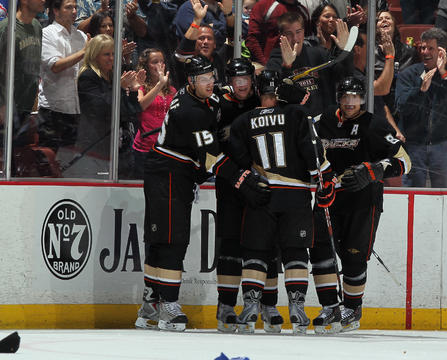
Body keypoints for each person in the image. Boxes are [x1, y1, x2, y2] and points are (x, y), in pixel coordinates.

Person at [135, 55, 270, 332]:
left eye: (212, 78)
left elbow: (219, 104)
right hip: (169, 172)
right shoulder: (191, 111)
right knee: (173, 239)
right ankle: (168, 306)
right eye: (204, 80)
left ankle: (150, 304)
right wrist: (242, 179)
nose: (211, 84)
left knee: (160, 239)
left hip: (169, 171)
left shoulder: (199, 97)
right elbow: (212, 158)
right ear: (190, 82)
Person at [228, 69, 329, 335]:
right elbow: (313, 150)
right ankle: (297, 309)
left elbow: (236, 162)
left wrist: (246, 182)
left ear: (258, 91)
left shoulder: (242, 121)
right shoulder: (296, 114)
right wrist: (321, 180)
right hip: (295, 196)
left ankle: (250, 308)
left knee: (256, 253)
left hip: (261, 195)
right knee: (296, 253)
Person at [309, 77, 410, 334]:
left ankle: (352, 307)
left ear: (362, 99)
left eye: (355, 97)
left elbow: (405, 161)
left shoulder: (374, 124)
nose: (351, 101)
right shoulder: (322, 123)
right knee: (321, 252)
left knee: (354, 255)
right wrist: (320, 178)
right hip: (328, 196)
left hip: (364, 199)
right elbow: (307, 154)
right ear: (339, 98)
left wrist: (374, 171)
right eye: (346, 96)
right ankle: (330, 306)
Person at [214, 61, 284, 334]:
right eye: (235, 78)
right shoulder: (218, 104)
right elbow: (210, 147)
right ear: (228, 79)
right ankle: (226, 305)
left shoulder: (261, 98)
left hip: (262, 183)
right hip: (231, 182)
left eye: (245, 77)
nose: (241, 83)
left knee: (267, 244)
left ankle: (269, 304)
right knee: (231, 243)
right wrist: (235, 175)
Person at [65, 34, 142, 178]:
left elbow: (131, 112)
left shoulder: (114, 76)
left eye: (113, 54)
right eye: (106, 54)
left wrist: (133, 90)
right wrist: (119, 87)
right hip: (94, 148)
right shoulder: (87, 77)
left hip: (118, 148)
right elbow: (103, 109)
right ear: (94, 55)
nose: (111, 58)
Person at [395, 27, 447, 188]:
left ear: (442, 52)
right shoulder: (408, 74)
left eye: (430, 48)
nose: (425, 52)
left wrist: (444, 73)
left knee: (443, 195)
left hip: (441, 145)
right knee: (412, 194)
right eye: (423, 48)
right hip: (414, 145)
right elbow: (402, 106)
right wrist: (421, 89)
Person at [0, 0, 44, 150]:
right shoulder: (7, 28)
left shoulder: (37, 27)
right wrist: (0, 104)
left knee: (17, 162)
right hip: (1, 110)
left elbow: (33, 67)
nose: (43, 0)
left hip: (23, 108)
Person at [266, 11, 352, 116]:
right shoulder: (275, 60)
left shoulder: (318, 53)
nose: (295, 38)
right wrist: (286, 67)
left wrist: (345, 51)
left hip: (323, 121)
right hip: (295, 122)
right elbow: (276, 96)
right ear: (281, 35)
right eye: (289, 34)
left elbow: (344, 75)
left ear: (304, 32)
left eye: (298, 32)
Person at [37, 0, 88, 154]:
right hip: (53, 110)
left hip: (76, 108)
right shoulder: (47, 34)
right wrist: (83, 52)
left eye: (75, 7)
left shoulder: (81, 36)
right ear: (56, 11)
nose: (74, 11)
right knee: (49, 160)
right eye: (68, 7)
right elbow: (55, 66)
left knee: (70, 162)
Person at [132, 48, 176, 179]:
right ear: (146, 66)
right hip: (145, 148)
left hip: (166, 147)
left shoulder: (172, 90)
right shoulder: (140, 87)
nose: (160, 65)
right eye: (155, 62)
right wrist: (158, 85)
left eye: (162, 62)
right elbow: (140, 106)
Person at [376, 9, 418, 143]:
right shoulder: (369, 53)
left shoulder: (410, 52)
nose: (384, 20)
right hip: (379, 106)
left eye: (388, 18)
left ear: (394, 25)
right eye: (380, 19)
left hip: (404, 107)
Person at [173, 0, 226, 89]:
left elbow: (236, 36)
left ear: (215, 44)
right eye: (201, 38)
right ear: (194, 41)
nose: (205, 42)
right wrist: (197, 20)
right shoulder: (186, 61)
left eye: (209, 39)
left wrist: (228, 14)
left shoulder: (218, 59)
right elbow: (184, 47)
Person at [245, 0, 310, 65]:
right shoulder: (264, 5)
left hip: (299, 68)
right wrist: (265, 65)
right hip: (270, 66)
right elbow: (252, 39)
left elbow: (308, 38)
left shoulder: (303, 10)